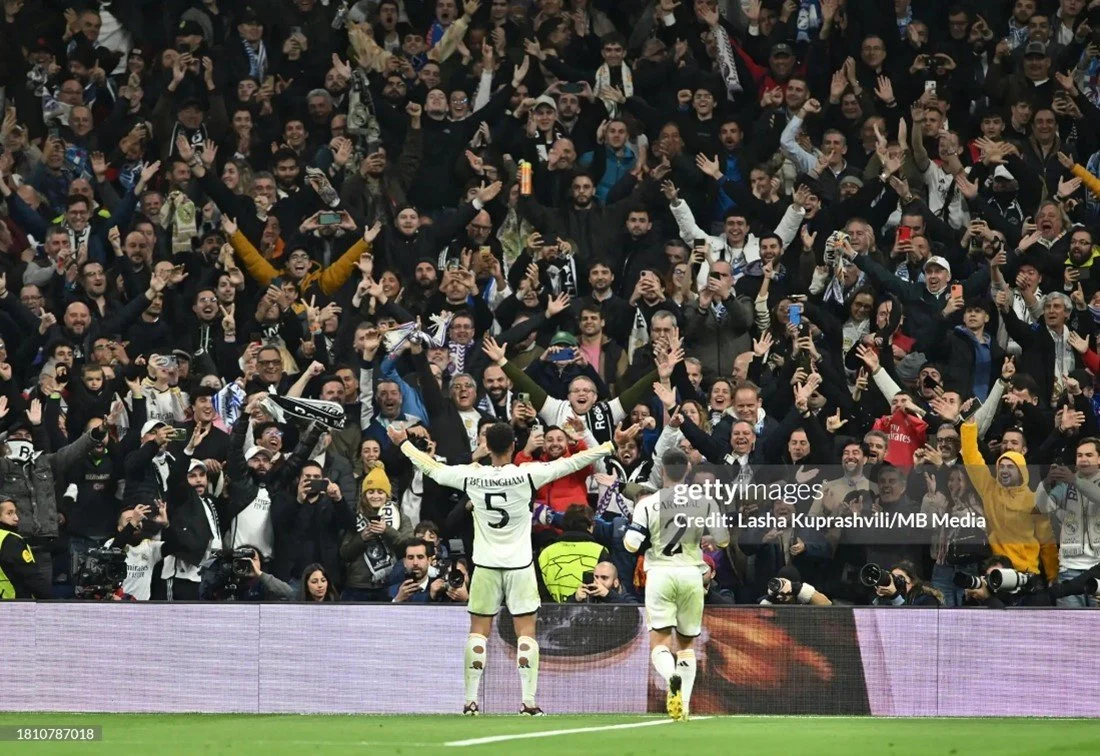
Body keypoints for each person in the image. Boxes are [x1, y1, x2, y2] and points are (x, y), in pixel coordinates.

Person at [388, 420, 619, 716]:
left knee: (478, 632)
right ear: (513, 446)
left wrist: (403, 443)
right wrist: (609, 444)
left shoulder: (472, 476)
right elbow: (572, 462)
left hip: (485, 564)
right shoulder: (527, 474)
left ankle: (470, 702)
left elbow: (433, 469)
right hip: (519, 565)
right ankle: (528, 702)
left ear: (487, 447)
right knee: (526, 632)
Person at [624, 449, 730, 721]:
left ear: (662, 471)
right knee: (686, 645)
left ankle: (671, 675)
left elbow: (631, 544)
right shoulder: (705, 501)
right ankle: (683, 706)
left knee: (659, 642)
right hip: (691, 573)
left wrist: (645, 537)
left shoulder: (648, 503)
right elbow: (723, 539)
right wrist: (705, 537)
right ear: (687, 471)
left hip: (660, 573)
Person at [0, 498, 51, 599]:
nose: (16, 518)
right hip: (15, 603)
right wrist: (48, 600)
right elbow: (30, 576)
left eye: (15, 513)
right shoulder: (10, 540)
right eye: (9, 513)